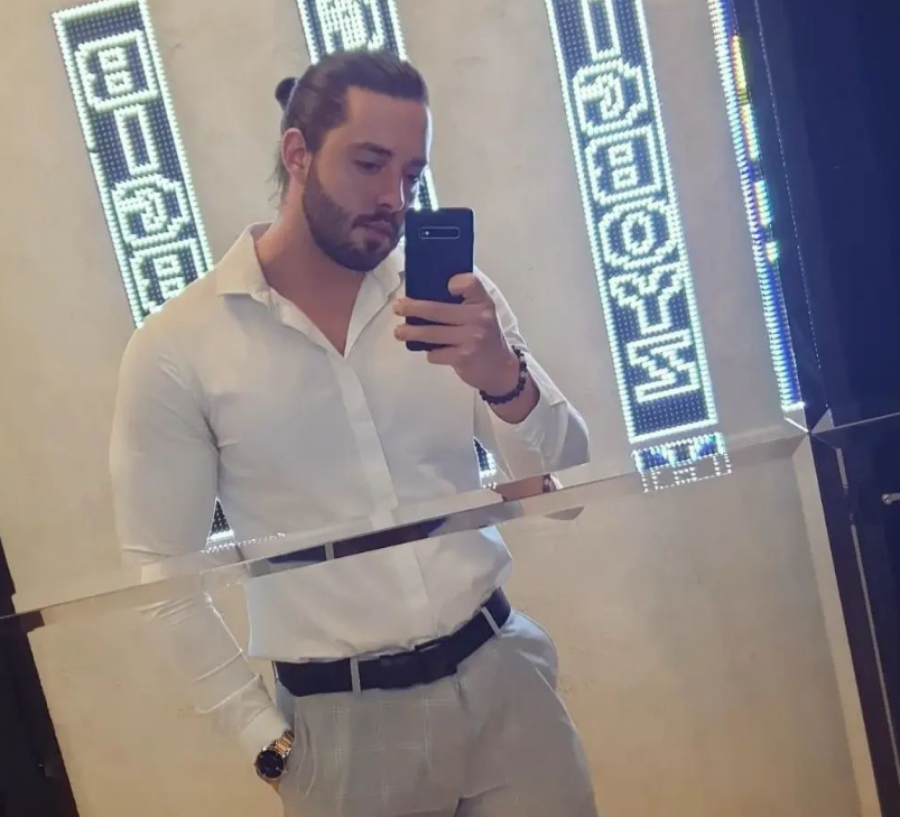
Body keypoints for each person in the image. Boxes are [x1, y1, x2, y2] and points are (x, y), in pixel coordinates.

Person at [109, 49, 597, 817]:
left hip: (503, 679)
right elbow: (160, 575)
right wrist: (263, 739)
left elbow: (564, 491)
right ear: (297, 152)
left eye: (411, 175)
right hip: (341, 731)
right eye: (370, 164)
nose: (392, 198)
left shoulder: (457, 306)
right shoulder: (180, 347)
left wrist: (503, 376)